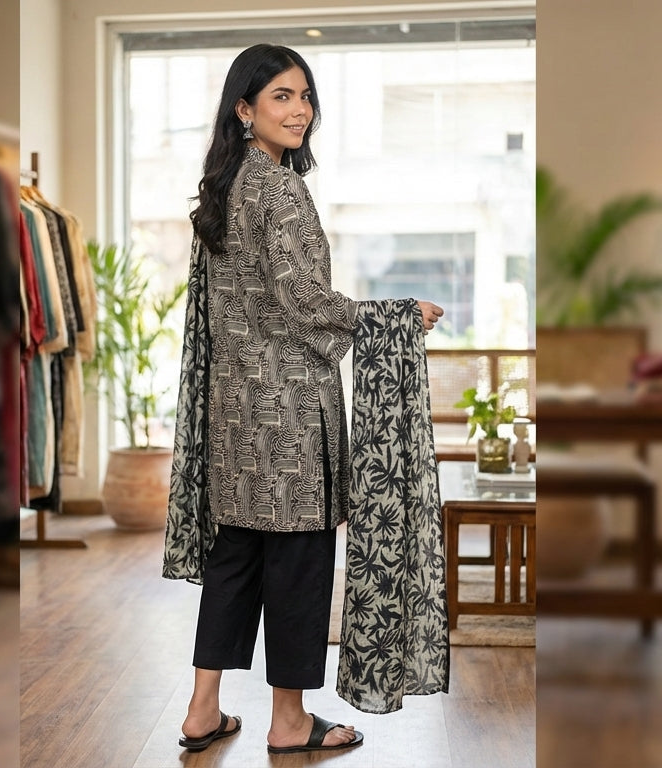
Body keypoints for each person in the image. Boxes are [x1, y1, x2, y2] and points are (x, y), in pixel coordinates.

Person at [164, 43, 444, 755]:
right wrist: (394, 315)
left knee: (235, 560)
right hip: (289, 422)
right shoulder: (280, 190)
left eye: (306, 96)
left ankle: (202, 709)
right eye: (281, 96)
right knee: (296, 569)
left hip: (233, 418)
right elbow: (303, 301)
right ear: (244, 108)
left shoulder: (224, 187)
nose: (299, 111)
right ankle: (290, 722)